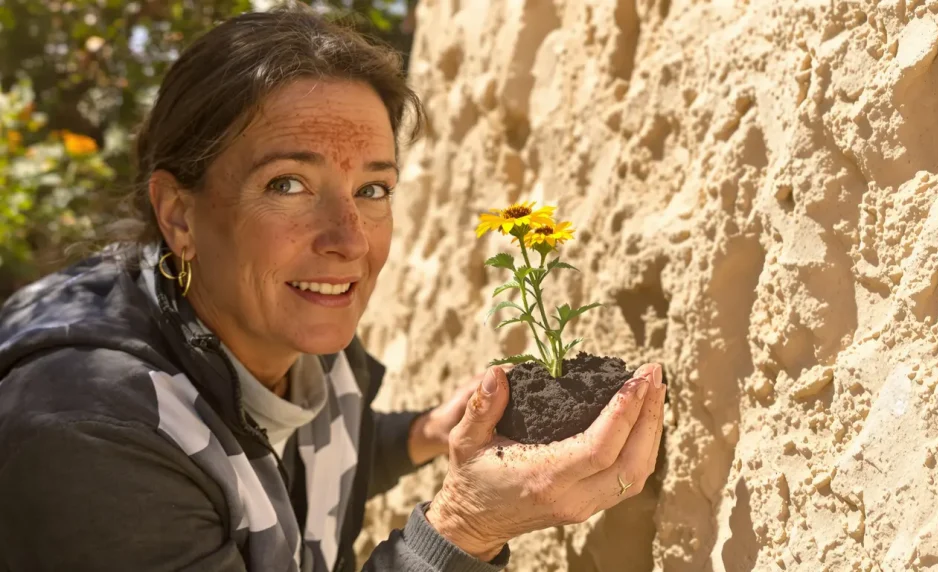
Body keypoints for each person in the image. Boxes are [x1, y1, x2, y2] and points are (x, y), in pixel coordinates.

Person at [0, 7, 666, 572]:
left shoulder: (274, 331)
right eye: (287, 184)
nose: (348, 240)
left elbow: (298, 455)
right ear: (180, 214)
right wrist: (464, 527)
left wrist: (425, 434)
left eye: (372, 190)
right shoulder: (89, 439)